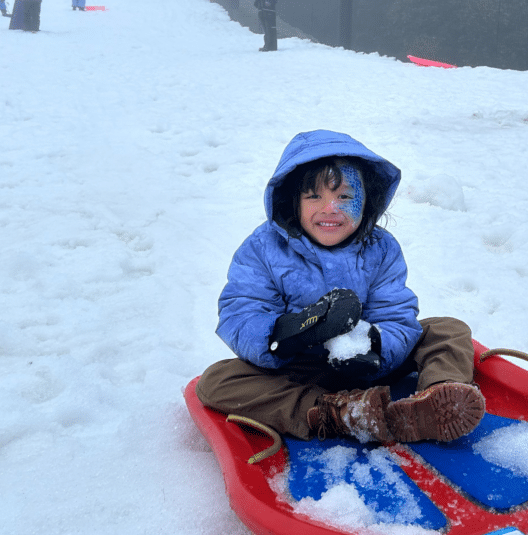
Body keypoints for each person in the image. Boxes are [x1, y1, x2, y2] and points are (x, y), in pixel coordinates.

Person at [196, 130, 486, 444]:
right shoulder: (264, 249)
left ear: (367, 201)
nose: (330, 208)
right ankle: (338, 413)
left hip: (370, 365)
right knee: (217, 381)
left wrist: (375, 345)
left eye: (345, 197)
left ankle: (439, 400)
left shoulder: (381, 248)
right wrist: (289, 334)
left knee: (446, 330)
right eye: (314, 197)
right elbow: (241, 312)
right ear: (294, 201)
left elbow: (395, 314)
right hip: (300, 368)